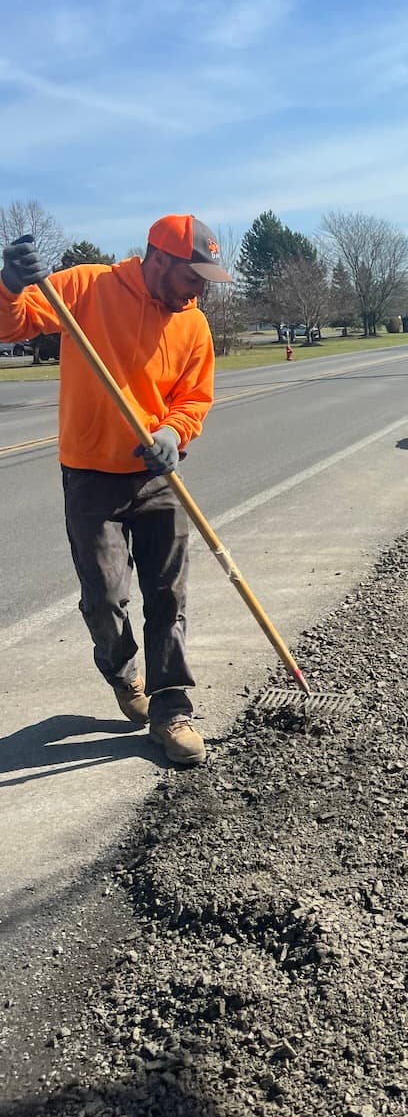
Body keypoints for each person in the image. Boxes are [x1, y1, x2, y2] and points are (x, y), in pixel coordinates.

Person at [0, 216, 230, 766]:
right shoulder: (88, 287)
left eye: (204, 278)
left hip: (157, 476)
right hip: (89, 476)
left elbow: (194, 397)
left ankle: (171, 708)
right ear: (159, 260)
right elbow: (11, 328)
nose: (199, 288)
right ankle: (126, 674)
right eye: (192, 276)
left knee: (168, 596)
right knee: (104, 598)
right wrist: (8, 284)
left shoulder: (193, 325)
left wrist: (174, 432)